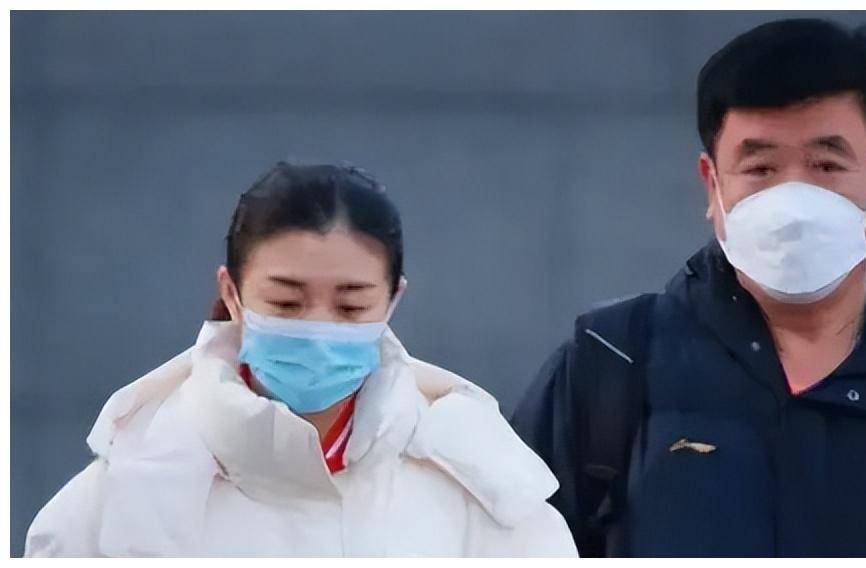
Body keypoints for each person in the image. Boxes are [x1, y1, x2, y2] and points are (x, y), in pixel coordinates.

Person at [511, 19, 866, 557]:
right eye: (760, 169)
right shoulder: (607, 369)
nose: (794, 202)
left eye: (826, 166)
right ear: (712, 184)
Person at [25, 161, 577, 557]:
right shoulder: (121, 498)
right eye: (286, 303)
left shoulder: (483, 492)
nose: (319, 328)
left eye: (351, 305)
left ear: (393, 300)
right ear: (233, 294)